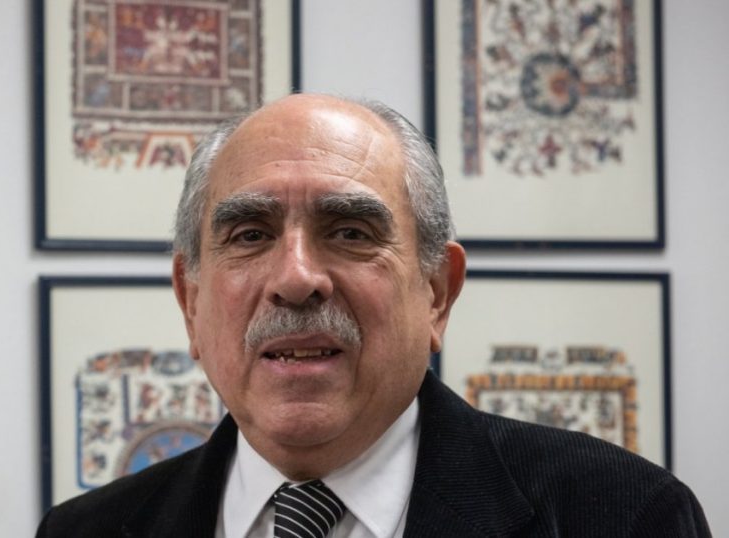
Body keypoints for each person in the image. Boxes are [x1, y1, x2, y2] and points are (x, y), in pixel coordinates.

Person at [36, 94, 710, 537]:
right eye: (250, 235)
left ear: (437, 293)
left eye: (351, 232)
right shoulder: (82, 532)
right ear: (190, 302)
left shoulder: (625, 516)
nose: (296, 279)